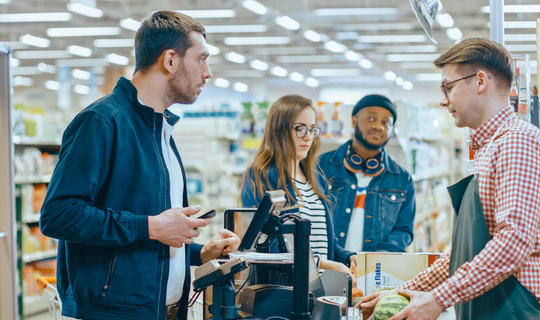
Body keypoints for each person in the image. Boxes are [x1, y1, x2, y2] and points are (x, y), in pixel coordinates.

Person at [39, 11, 240, 320]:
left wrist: (200, 253)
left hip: (162, 310)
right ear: (170, 60)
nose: (208, 73)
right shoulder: (103, 121)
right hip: (109, 312)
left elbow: (146, 240)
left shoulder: (160, 131)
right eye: (201, 59)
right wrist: (152, 225)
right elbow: (58, 215)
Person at [356, 38, 540, 320]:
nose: (443, 99)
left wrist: (438, 299)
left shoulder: (518, 143)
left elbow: (513, 243)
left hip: (513, 312)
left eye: (448, 87)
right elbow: (465, 252)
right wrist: (402, 293)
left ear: (479, 82)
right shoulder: (490, 149)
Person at [240, 94, 355, 275]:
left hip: (320, 290)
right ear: (278, 130)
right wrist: (322, 264)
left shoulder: (317, 179)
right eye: (300, 129)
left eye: (312, 129)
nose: (308, 137)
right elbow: (263, 245)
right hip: (285, 291)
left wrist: (349, 258)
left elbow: (326, 241)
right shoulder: (261, 176)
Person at [318, 94, 416, 253]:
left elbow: (404, 230)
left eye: (386, 123)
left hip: (375, 271)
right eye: (371, 119)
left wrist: (382, 256)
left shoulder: (402, 179)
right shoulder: (321, 167)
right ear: (354, 121)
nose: (379, 126)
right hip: (327, 266)